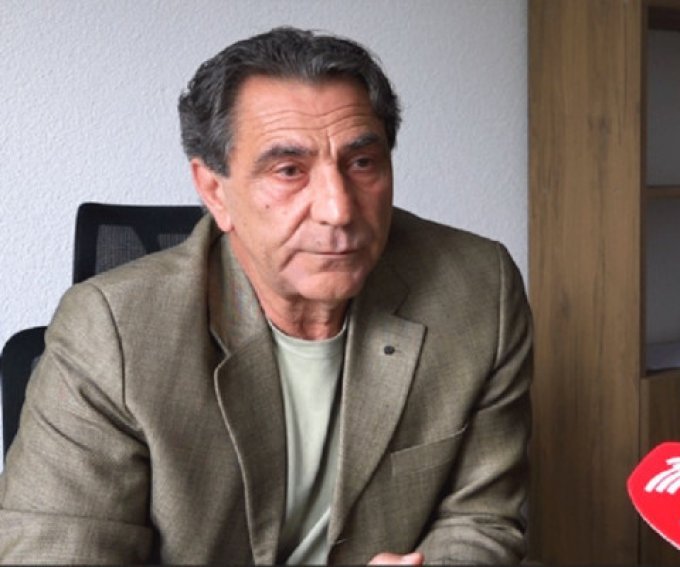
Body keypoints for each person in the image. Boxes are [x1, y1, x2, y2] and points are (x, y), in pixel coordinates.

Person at [0, 27, 532, 565]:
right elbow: (55, 551)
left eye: (362, 163)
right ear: (214, 190)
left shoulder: (478, 290)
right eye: (289, 171)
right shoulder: (111, 333)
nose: (338, 209)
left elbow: (482, 518)